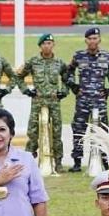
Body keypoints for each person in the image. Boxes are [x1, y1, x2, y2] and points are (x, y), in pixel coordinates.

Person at [66, 27, 109, 172]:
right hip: (83, 99)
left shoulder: (107, 56)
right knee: (79, 129)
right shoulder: (78, 56)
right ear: (86, 40)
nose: (92, 41)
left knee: (103, 131)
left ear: (99, 39)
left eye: (95, 38)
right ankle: (77, 162)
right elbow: (69, 71)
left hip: (99, 100)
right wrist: (73, 86)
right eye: (90, 39)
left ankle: (104, 161)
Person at [16, 33, 69, 172]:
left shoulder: (59, 63)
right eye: (44, 44)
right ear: (40, 46)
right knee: (32, 132)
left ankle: (58, 162)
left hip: (54, 101)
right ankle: (28, 160)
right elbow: (18, 76)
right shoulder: (33, 61)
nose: (47, 46)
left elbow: (67, 78)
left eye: (50, 43)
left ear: (53, 45)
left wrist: (63, 91)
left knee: (56, 132)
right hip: (38, 101)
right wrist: (27, 91)